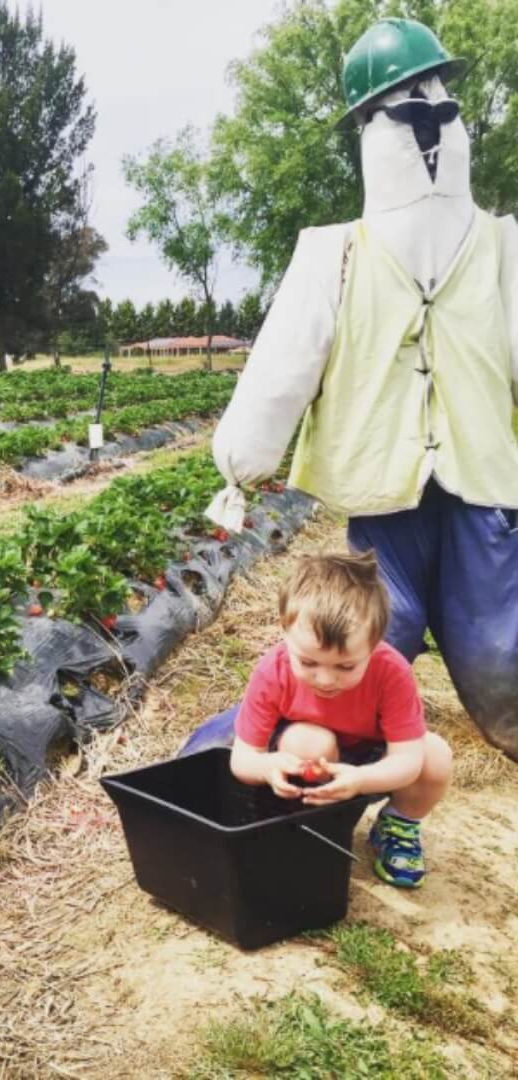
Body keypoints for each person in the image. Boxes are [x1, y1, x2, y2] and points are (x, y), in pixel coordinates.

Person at [207, 18, 518, 761]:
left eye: (441, 111)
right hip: (386, 497)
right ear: (373, 134)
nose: (431, 131)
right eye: (410, 115)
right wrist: (241, 466)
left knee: (498, 647)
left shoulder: (504, 246)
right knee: (375, 639)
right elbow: (282, 368)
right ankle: (263, 759)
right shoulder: (335, 253)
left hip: (484, 488)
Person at [195, 551, 452, 889]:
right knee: (307, 741)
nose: (325, 679)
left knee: (434, 756)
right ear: (284, 632)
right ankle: (312, 822)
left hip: (370, 763)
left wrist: (361, 779)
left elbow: (407, 759)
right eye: (309, 663)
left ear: (375, 645)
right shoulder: (273, 671)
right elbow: (243, 757)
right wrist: (267, 767)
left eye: (345, 666)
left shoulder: (392, 673)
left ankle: (399, 824)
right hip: (309, 761)